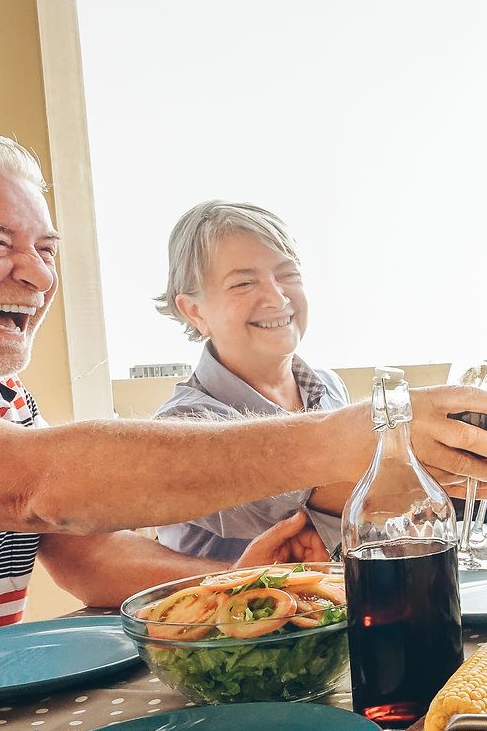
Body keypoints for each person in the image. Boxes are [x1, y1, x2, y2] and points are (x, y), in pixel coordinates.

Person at [0, 128, 487, 636]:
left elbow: (95, 556)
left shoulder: (1, 397)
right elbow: (34, 485)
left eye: (45, 250)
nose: (38, 275)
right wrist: (348, 436)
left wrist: (244, 583)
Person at [151, 201, 353, 560]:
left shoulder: (329, 388)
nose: (277, 297)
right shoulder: (183, 426)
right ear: (194, 311)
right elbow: (347, 493)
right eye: (243, 283)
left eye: (288, 275)